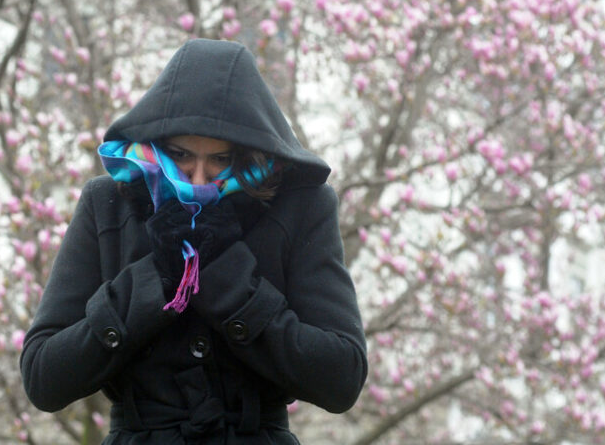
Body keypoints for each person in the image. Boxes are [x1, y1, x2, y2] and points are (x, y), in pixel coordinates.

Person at [20, 39, 368, 444]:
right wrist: (158, 280)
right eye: (181, 154)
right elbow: (43, 376)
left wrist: (225, 276)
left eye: (220, 159)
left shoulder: (302, 207)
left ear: (248, 154)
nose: (198, 179)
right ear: (157, 141)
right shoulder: (108, 203)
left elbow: (342, 377)